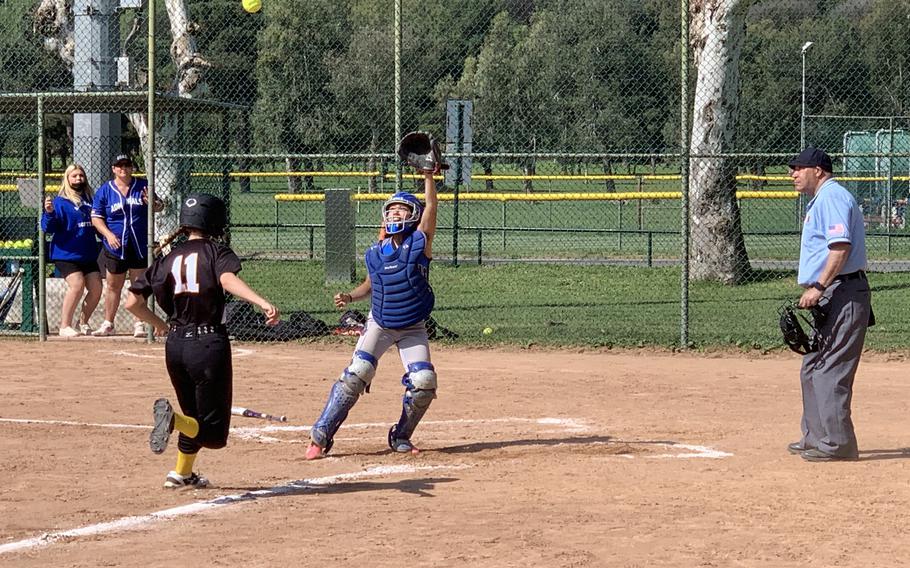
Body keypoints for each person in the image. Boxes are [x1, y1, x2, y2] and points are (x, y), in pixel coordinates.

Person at [125, 193, 279, 488]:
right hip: (208, 345)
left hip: (176, 346)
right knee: (213, 434)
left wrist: (159, 325)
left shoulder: (168, 256)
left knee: (194, 417)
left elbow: (132, 302)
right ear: (215, 221)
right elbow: (226, 280)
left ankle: (181, 473)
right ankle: (173, 422)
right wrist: (261, 302)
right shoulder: (216, 252)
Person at [305, 171, 438, 459]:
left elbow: (431, 207)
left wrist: (428, 177)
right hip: (380, 322)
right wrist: (351, 296)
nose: (395, 213)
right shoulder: (375, 252)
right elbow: (371, 283)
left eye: (401, 209)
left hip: (412, 325)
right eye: (391, 209)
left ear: (413, 215)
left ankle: (401, 436)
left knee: (424, 381)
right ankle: (321, 435)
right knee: (357, 374)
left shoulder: (419, 243)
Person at [787, 147, 872, 462]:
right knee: (813, 365)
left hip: (842, 291)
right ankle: (816, 437)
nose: (793, 174)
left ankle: (838, 444)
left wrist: (819, 285)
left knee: (830, 369)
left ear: (818, 170)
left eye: (799, 168)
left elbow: (840, 247)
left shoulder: (833, 197)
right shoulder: (822, 199)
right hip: (832, 293)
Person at [91, 154, 164, 337]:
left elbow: (160, 206)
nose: (123, 168)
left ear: (132, 168)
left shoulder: (143, 186)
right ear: (114, 169)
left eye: (127, 165)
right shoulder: (105, 190)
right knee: (113, 285)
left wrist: (152, 204)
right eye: (119, 165)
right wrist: (107, 235)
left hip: (139, 244)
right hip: (116, 245)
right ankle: (108, 323)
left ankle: (139, 323)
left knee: (138, 285)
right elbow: (96, 217)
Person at [41, 164, 102, 337]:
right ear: (67, 179)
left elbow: (97, 225)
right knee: (77, 285)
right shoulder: (60, 202)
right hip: (66, 254)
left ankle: (82, 322)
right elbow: (47, 227)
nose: (78, 179)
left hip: (88, 254)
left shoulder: (91, 200)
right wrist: (49, 213)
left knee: (97, 288)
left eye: (81, 176)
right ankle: (64, 325)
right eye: (74, 176)